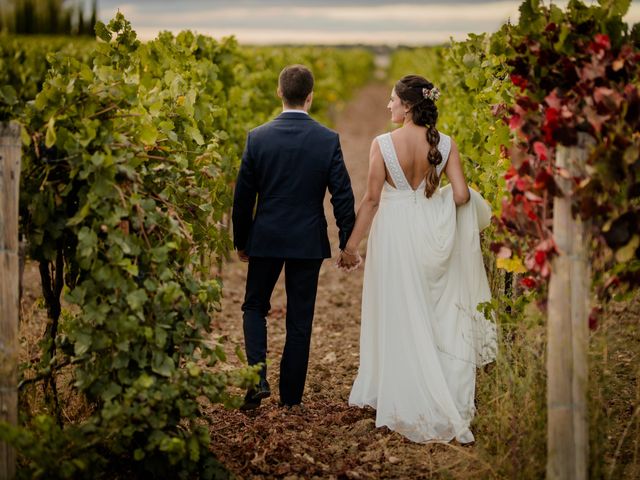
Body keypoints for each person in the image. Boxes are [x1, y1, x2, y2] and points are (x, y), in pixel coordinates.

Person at [340, 75, 496, 443]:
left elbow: (372, 200)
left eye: (392, 100)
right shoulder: (445, 144)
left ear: (408, 105)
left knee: (396, 307)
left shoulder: (382, 143)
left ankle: (399, 385)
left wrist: (350, 247)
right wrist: (434, 203)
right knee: (429, 308)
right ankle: (436, 382)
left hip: (394, 234)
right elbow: (460, 196)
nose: (388, 105)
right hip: (429, 234)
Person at [232, 64, 357, 410]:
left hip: (266, 238)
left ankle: (256, 379)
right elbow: (342, 196)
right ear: (311, 97)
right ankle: (290, 400)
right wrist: (347, 241)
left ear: (279, 93)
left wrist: (242, 241)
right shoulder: (327, 139)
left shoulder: (257, 137)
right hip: (307, 240)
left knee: (254, 307)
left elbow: (243, 198)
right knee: (300, 319)